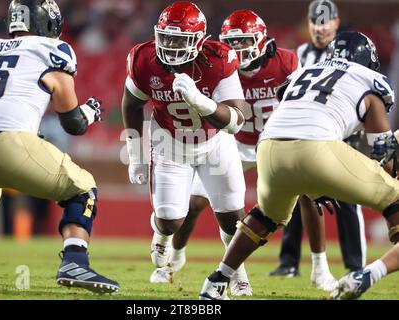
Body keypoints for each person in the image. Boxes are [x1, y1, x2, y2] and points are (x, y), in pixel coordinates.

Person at [199, 31, 397, 300]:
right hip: (317, 148)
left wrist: (322, 178)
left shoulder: (304, 72)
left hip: (268, 149)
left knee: (264, 217)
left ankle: (217, 281)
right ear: (367, 61)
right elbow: (384, 155)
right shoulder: (368, 81)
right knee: (394, 198)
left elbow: (297, 114)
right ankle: (372, 272)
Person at [0, 0, 119, 294]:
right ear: (47, 22)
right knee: (82, 188)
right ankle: (75, 261)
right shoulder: (53, 50)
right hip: (6, 139)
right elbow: (73, 124)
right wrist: (91, 112)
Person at [149, 9, 304, 294]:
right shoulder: (219, 63)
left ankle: (303, 266)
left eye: (245, 41)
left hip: (270, 141)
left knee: (261, 208)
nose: (237, 49)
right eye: (232, 43)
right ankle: (176, 254)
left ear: (260, 40)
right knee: (194, 205)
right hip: (233, 140)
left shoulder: (286, 62)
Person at [122, 1, 248, 293]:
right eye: (166, 36)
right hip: (170, 143)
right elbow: (131, 104)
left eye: (180, 39)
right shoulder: (144, 59)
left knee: (232, 218)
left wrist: (201, 102)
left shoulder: (219, 58)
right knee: (169, 221)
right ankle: (162, 238)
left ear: (200, 40)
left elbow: (236, 121)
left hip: (215, 141)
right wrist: (135, 153)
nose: (170, 44)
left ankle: (238, 272)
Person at [269, 0, 367, 283]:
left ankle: (354, 265)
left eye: (325, 22)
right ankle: (289, 262)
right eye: (315, 22)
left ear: (336, 23)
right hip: (309, 132)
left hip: (343, 131)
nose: (319, 28)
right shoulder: (302, 52)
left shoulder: (350, 50)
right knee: (298, 195)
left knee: (349, 196)